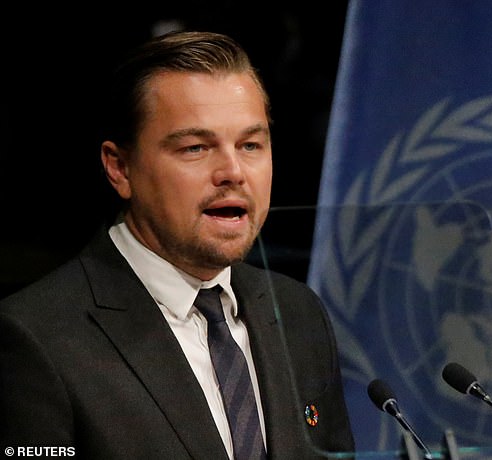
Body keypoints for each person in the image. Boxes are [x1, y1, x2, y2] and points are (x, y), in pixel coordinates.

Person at [0, 30, 354, 459]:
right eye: (195, 147)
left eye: (250, 145)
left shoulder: (298, 313)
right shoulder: (36, 338)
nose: (233, 172)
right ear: (120, 168)